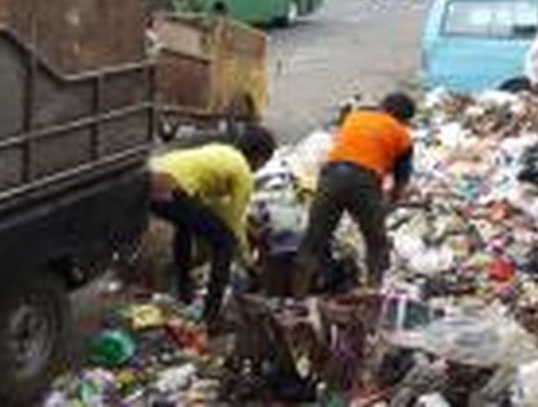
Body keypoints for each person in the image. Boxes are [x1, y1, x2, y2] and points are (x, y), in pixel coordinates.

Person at [149, 125, 276, 326]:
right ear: (260, 158)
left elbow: (211, 207)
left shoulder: (222, 152)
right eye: (264, 163)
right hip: (170, 186)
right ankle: (212, 316)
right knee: (225, 242)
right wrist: (249, 264)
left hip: (150, 175)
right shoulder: (243, 172)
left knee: (186, 225)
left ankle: (185, 291)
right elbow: (234, 225)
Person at [293, 92, 416, 297]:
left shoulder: (355, 117)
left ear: (383, 106)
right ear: (405, 120)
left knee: (313, 240)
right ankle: (372, 293)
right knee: (377, 243)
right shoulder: (403, 136)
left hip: (331, 176)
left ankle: (298, 299)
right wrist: (388, 206)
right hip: (365, 181)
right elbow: (400, 182)